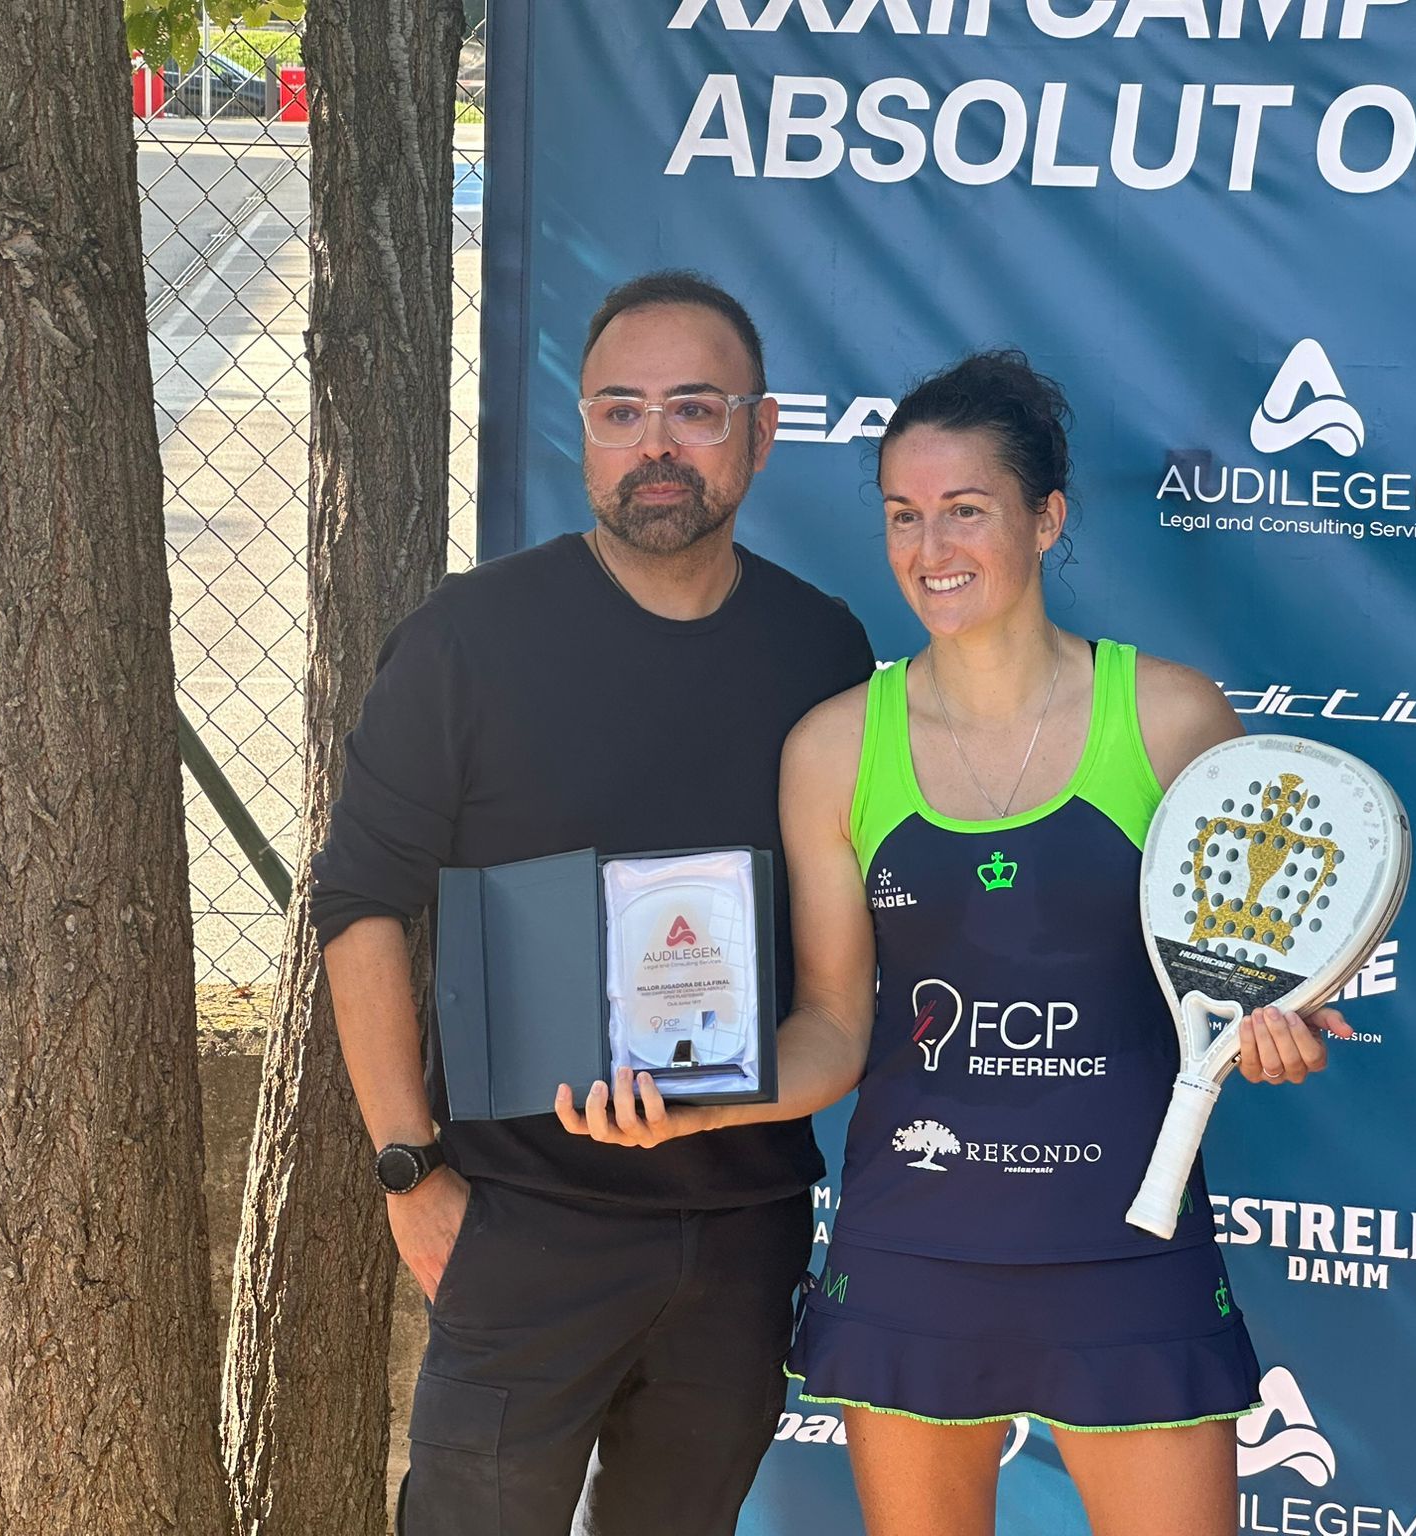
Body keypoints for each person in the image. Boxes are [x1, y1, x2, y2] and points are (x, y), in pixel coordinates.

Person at [558, 350, 1351, 1536]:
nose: (932, 548)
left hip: (1127, 1243)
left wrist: (1273, 1031)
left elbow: (1243, 980)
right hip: (912, 1244)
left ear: (1046, 519)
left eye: (966, 511)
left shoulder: (1172, 719)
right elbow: (835, 1026)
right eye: (902, 515)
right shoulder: (835, 746)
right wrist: (699, 1104)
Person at [308, 271, 875, 1536]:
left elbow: (841, 966)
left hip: (739, 1229)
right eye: (619, 411)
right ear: (581, 431)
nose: (655, 443)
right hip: (522, 1224)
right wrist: (410, 1170)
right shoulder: (466, 640)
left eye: (692, 409)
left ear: (761, 430)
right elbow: (358, 903)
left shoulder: (821, 652)